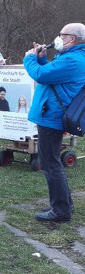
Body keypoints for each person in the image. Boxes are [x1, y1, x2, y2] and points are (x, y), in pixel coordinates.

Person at [24, 23, 85, 223]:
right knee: (54, 162)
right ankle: (65, 203)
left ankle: (60, 210)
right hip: (52, 113)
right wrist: (41, 59)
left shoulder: (73, 59)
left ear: (72, 39)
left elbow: (41, 75)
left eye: (62, 34)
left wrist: (30, 59)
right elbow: (51, 75)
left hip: (52, 116)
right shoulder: (71, 56)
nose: (58, 37)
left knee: (50, 164)